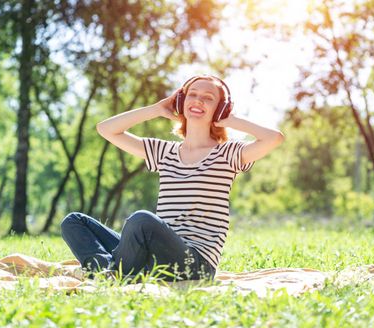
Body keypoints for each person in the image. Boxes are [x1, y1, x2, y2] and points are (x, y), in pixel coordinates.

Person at [60, 75, 284, 281]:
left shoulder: (228, 154)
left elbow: (274, 138)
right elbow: (106, 129)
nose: (198, 101)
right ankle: (113, 272)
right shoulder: (164, 152)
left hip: (194, 264)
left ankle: (111, 274)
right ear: (181, 102)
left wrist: (230, 120)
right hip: (155, 255)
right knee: (74, 222)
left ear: (220, 108)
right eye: (193, 94)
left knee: (141, 220)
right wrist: (156, 109)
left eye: (209, 98)